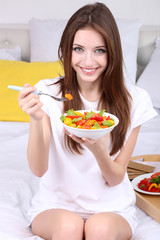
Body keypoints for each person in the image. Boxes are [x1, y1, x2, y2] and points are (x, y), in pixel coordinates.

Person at [18, 2, 157, 240]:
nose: (88, 61)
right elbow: (38, 169)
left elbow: (115, 178)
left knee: (99, 228)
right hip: (55, 207)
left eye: (99, 50)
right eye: (78, 49)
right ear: (67, 50)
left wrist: (100, 151)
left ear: (112, 52)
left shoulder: (135, 100)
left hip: (112, 208)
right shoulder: (47, 92)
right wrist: (35, 118)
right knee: (69, 226)